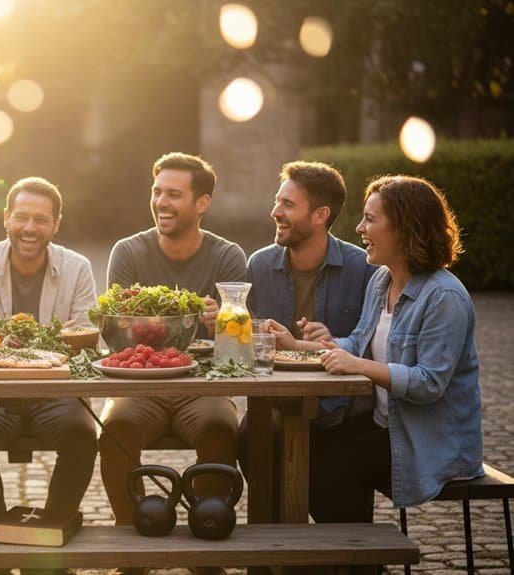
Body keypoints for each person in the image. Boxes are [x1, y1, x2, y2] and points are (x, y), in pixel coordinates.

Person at [268, 174, 483, 523]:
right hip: (386, 427)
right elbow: (357, 343)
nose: (358, 228)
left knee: (333, 468)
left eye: (370, 219)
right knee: (304, 448)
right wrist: (298, 345)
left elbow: (429, 383)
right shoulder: (382, 280)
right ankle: (318, 558)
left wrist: (360, 366)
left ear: (403, 227)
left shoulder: (444, 297)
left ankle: (355, 562)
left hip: (427, 444)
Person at [99, 152, 246, 522]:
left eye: (173, 194)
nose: (161, 202)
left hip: (203, 386)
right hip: (138, 387)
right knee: (115, 428)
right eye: (157, 191)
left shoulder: (227, 256)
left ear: (202, 203)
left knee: (220, 428)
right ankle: (133, 531)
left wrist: (221, 325)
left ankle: (205, 527)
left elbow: (237, 348)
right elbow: (117, 338)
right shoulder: (128, 251)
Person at [0, 176, 98, 527]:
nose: (29, 228)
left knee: (82, 435)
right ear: (6, 217)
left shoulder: (77, 268)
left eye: (41, 220)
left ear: (56, 225)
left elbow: (88, 343)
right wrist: (53, 340)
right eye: (21, 217)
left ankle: (54, 530)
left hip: (58, 390)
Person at [238, 162, 377, 500]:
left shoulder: (364, 269)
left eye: (288, 205)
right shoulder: (258, 265)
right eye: (277, 201)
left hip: (342, 416)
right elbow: (245, 346)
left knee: (342, 527)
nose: (275, 212)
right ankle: (275, 539)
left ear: (320, 215)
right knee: (249, 439)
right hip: (275, 407)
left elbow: (373, 349)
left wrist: (326, 343)